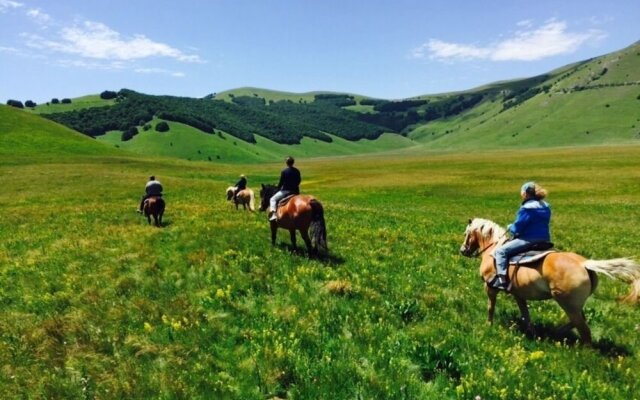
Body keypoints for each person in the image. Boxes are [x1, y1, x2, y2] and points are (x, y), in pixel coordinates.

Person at [491, 181, 551, 291]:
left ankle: (502, 281)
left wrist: (511, 227)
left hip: (528, 239)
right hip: (545, 238)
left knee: (500, 252)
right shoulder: (545, 206)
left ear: (525, 194)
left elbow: (518, 227)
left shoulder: (527, 208)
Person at [269, 156, 301, 221]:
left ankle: (274, 214)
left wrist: (278, 188)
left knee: (272, 199)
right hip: (295, 191)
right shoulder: (297, 171)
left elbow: (281, 182)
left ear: (287, 163)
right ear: (293, 162)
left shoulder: (284, 171)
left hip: (286, 191)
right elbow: (299, 180)